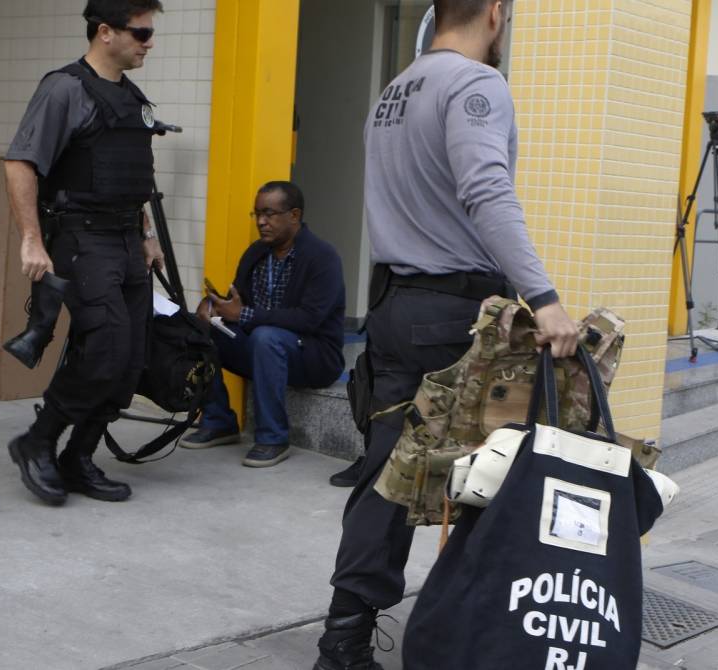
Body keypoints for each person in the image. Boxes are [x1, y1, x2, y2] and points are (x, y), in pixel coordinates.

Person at [312, 1, 580, 668]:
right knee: (492, 479)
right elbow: (486, 189)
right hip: (454, 317)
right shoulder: (476, 83)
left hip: (395, 309)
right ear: (494, 12)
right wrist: (544, 300)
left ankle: (344, 636)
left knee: (388, 475)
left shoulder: (395, 91)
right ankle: (473, 635)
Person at [3, 0, 165, 506]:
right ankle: (38, 442)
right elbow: (20, 164)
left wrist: (147, 234)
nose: (148, 43)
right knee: (105, 348)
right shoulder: (65, 89)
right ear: (105, 32)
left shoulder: (131, 97)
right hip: (82, 238)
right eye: (141, 33)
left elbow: (133, 176)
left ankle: (79, 457)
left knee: (130, 359)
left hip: (126, 240)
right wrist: (31, 238)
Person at [182, 181, 347, 467]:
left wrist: (244, 316)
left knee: (265, 336)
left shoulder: (322, 257)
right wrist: (212, 306)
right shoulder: (256, 253)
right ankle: (219, 421)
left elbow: (309, 318)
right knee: (200, 328)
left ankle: (273, 438)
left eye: (269, 214)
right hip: (262, 349)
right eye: (257, 214)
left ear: (294, 215)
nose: (261, 221)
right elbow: (238, 302)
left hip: (313, 357)